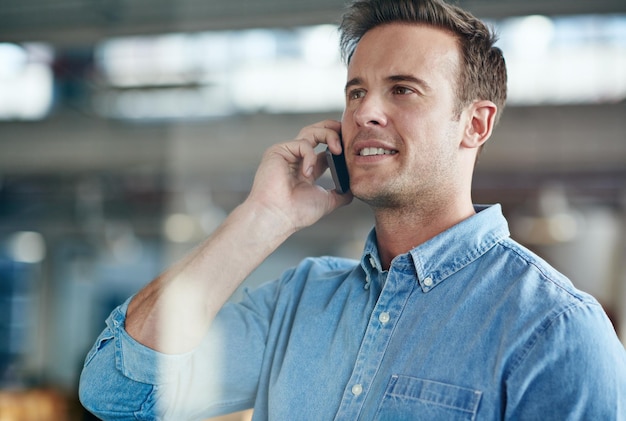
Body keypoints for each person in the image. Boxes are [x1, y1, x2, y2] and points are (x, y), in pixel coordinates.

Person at [79, 0, 626, 419]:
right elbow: (118, 393)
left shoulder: (554, 328)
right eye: (356, 91)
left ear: (476, 124)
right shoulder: (299, 301)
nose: (365, 112)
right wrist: (263, 218)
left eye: (403, 90)